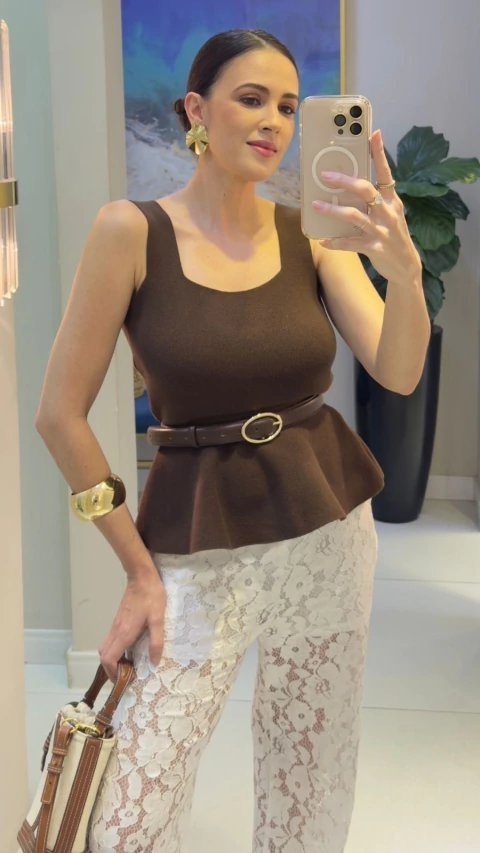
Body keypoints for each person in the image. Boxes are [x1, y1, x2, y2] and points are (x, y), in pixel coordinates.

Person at [35, 28, 395, 853]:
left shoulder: (315, 234)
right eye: (251, 99)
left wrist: (401, 269)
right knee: (131, 816)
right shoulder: (130, 230)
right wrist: (136, 567)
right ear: (197, 110)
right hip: (197, 538)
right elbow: (59, 413)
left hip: (329, 530)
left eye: (288, 107)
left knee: (311, 777)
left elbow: (398, 367)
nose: (274, 122)